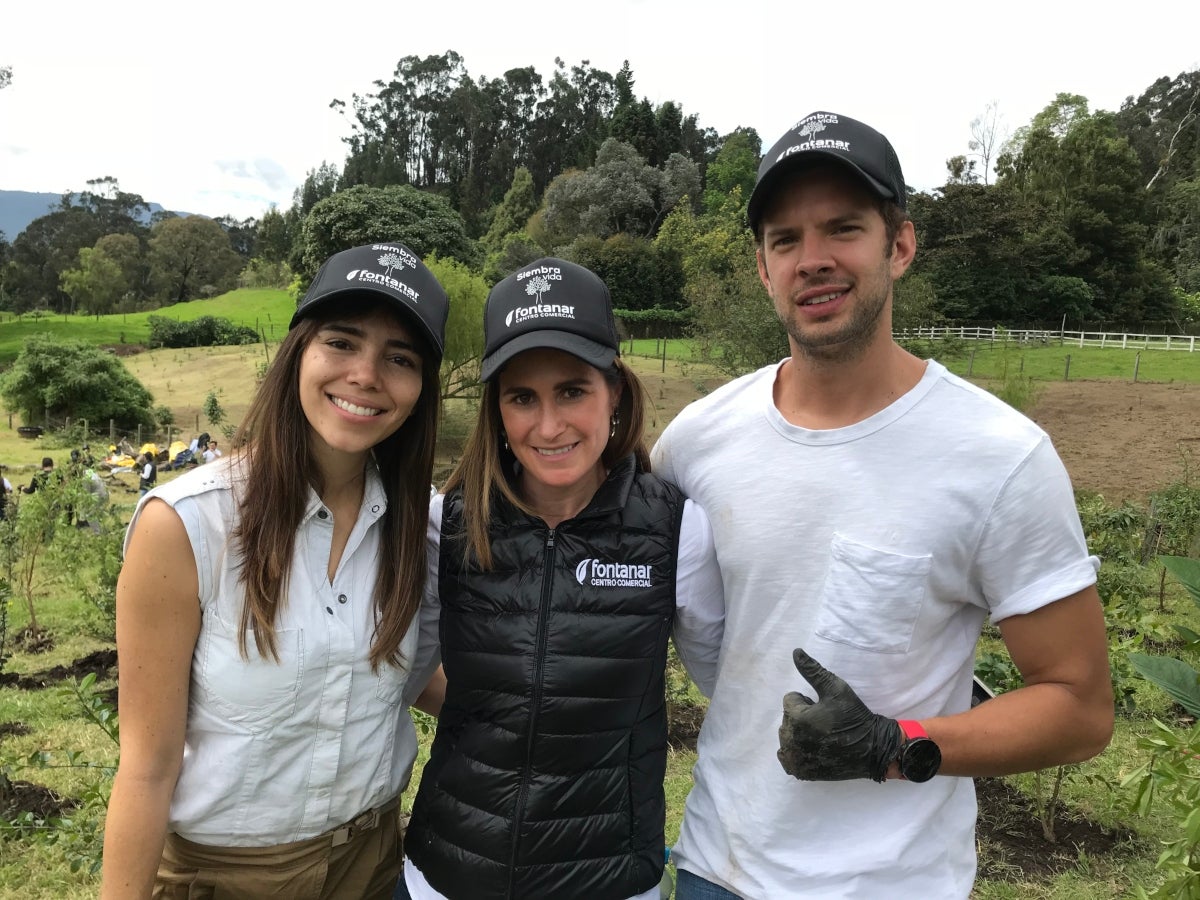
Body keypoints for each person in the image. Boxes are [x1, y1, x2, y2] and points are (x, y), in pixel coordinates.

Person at [649, 111, 1114, 899]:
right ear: (762, 268)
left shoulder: (1000, 458)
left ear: (899, 245)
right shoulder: (697, 442)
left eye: (843, 228)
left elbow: (1081, 707)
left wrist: (892, 746)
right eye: (786, 240)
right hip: (716, 868)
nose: (813, 260)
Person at [100, 242, 451, 900]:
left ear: (421, 388)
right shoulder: (186, 527)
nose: (366, 375)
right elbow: (146, 769)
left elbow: (386, 671)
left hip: (373, 865)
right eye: (341, 342)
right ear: (298, 352)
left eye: (400, 358)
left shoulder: (419, 528)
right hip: (224, 878)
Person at [401, 258, 724, 900]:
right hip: (445, 878)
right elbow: (402, 676)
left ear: (615, 392)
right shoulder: (450, 525)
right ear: (497, 408)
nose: (548, 426)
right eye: (522, 397)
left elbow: (731, 689)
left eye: (572, 391)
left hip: (608, 881)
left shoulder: (677, 530)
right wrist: (507, 709)